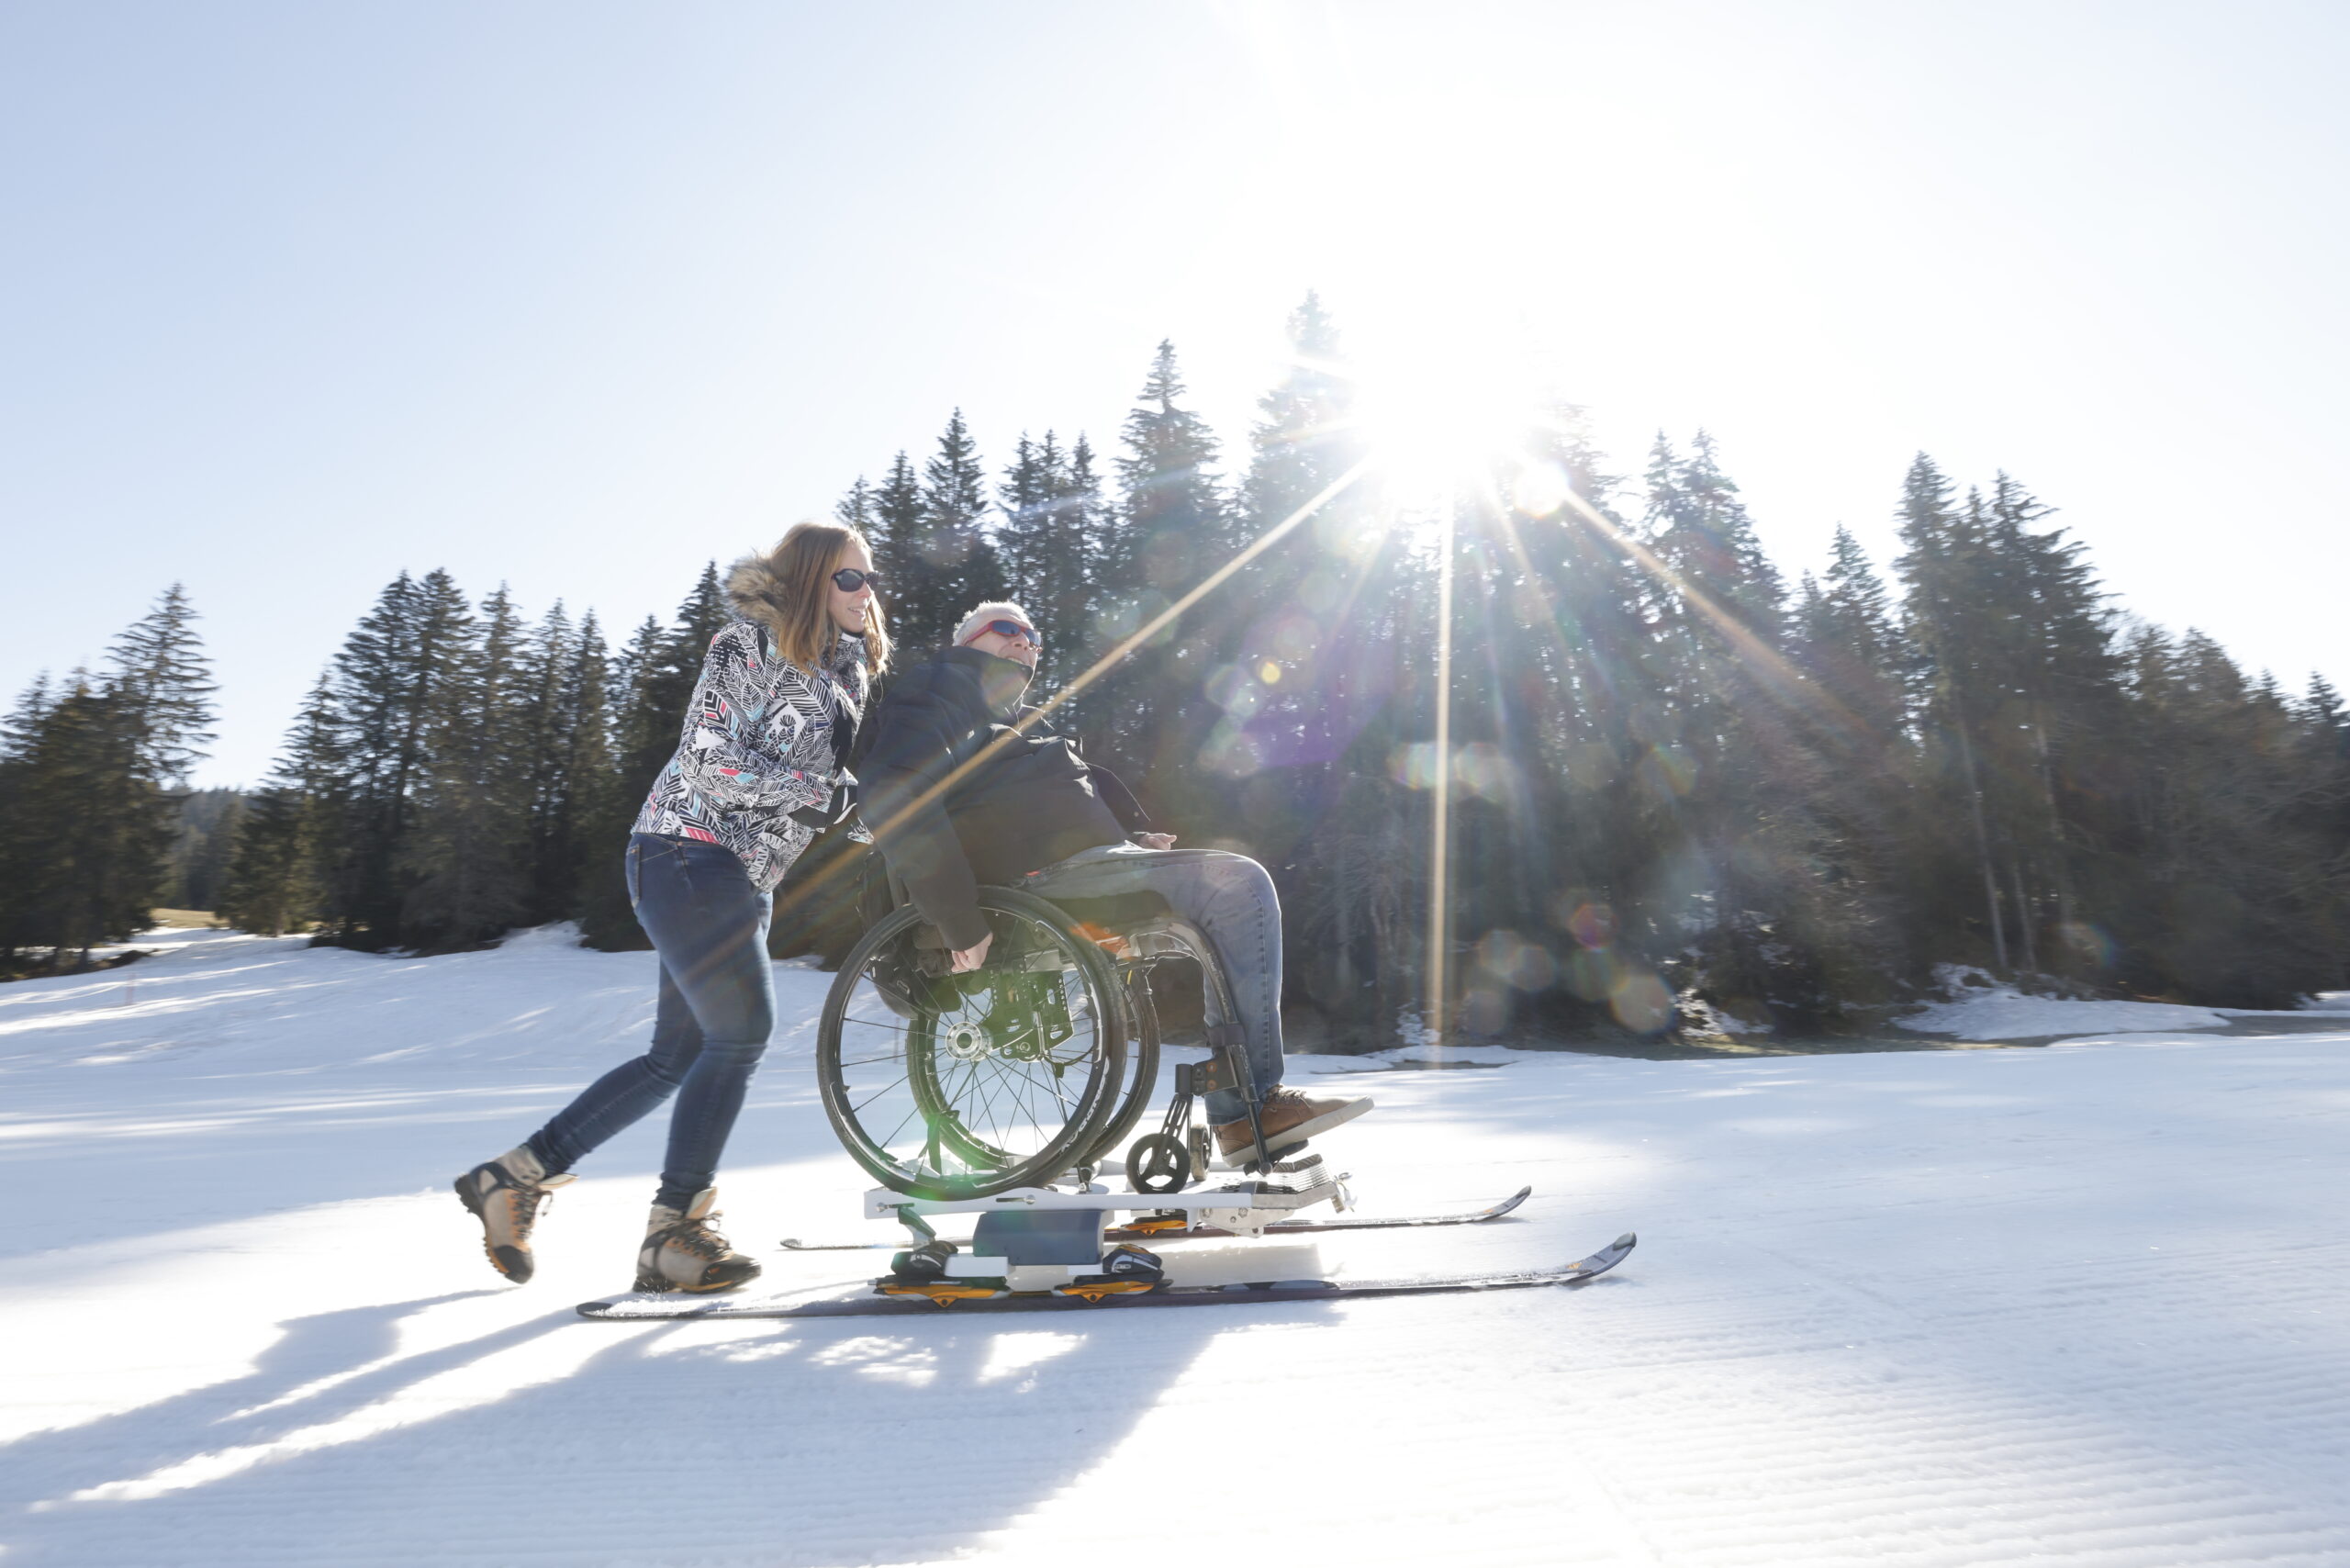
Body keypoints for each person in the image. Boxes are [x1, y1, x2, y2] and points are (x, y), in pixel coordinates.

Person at [454, 521, 889, 1293]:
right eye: (850, 579)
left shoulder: (846, 672)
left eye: (870, 579)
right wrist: (818, 796)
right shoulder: (744, 646)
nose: (867, 593)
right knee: (743, 1029)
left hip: (742, 878)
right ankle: (673, 1230)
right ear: (809, 581)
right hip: (685, 851)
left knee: (676, 1057)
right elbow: (709, 760)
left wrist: (871, 815)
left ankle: (515, 1175)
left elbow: (827, 790)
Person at [859, 599, 1370, 1166]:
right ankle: (1249, 1110)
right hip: (1033, 883)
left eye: (1034, 637)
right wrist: (956, 917)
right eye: (1008, 631)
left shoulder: (1007, 722)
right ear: (966, 642)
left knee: (1230, 894)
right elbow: (894, 796)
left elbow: (1037, 805)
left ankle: (1244, 1109)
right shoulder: (940, 692)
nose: (1025, 643)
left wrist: (1131, 840)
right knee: (1240, 885)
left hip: (1075, 869)